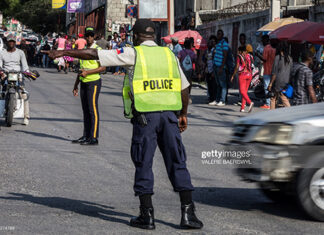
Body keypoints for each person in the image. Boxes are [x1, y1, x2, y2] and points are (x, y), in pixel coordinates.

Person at [44, 19, 203, 230]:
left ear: (135, 36)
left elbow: (95, 55)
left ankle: (147, 216)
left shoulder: (133, 53)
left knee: (144, 163)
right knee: (177, 162)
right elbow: (185, 87)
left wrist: (64, 53)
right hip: (170, 118)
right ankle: (188, 214)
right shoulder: (169, 55)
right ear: (154, 35)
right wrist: (183, 114)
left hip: (146, 118)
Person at [72, 27, 105, 146]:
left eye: (91, 35)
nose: (89, 38)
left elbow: (103, 68)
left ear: (94, 36)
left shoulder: (98, 50)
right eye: (87, 35)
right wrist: (76, 85)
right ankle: (86, 135)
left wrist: (88, 73)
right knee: (85, 110)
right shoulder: (84, 51)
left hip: (94, 82)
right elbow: (81, 69)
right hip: (83, 82)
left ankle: (94, 137)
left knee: (93, 110)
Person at [0, 35, 31, 125]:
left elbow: (25, 66)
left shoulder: (20, 52)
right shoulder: (2, 53)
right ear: (7, 42)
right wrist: (1, 71)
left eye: (13, 41)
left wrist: (27, 72)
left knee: (24, 95)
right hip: (5, 73)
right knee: (1, 93)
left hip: (18, 74)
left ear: (15, 43)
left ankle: (26, 117)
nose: (11, 43)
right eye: (10, 41)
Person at [268, 41, 293, 109]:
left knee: (273, 98)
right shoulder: (290, 59)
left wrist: (270, 84)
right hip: (286, 82)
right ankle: (290, 111)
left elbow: (274, 72)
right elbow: (291, 71)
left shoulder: (278, 58)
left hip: (278, 82)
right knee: (283, 97)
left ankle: (272, 115)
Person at [231, 46, 254, 112]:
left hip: (242, 75)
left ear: (240, 51)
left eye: (238, 51)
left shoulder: (239, 56)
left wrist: (233, 75)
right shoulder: (250, 56)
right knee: (245, 92)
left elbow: (237, 66)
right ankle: (242, 108)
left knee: (242, 91)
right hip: (249, 74)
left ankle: (250, 102)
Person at [257, 35, 276, 109]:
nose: (262, 42)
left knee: (267, 87)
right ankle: (272, 103)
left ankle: (268, 104)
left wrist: (258, 55)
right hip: (273, 71)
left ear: (266, 40)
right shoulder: (273, 48)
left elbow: (264, 59)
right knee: (272, 88)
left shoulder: (266, 48)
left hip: (267, 70)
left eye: (262, 40)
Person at [213, 29, 229, 106]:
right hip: (216, 66)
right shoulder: (218, 44)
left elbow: (225, 56)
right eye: (217, 34)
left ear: (222, 35)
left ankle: (222, 100)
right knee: (218, 84)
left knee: (223, 85)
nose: (218, 35)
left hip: (220, 67)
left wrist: (222, 67)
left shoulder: (224, 44)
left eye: (219, 34)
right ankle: (217, 99)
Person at [203, 35, 217, 104]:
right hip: (208, 69)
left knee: (213, 85)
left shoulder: (214, 51)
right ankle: (211, 98)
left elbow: (214, 61)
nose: (209, 44)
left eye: (211, 43)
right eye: (209, 43)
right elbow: (205, 60)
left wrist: (213, 72)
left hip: (212, 70)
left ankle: (213, 99)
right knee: (209, 85)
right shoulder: (207, 51)